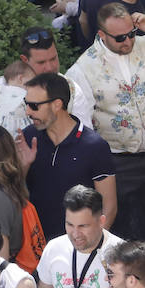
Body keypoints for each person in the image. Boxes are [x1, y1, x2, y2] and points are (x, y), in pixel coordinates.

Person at [66, 6, 145, 254]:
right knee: (124, 224)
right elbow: (80, 122)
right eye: (120, 37)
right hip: (117, 160)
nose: (127, 41)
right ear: (102, 35)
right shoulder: (82, 69)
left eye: (131, 34)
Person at [19, 73, 117, 241]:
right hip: (35, 247)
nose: (28, 111)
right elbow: (14, 193)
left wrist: (90, 247)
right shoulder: (28, 137)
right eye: (26, 104)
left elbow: (109, 206)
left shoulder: (94, 146)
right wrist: (24, 166)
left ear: (57, 105)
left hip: (78, 246)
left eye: (34, 106)